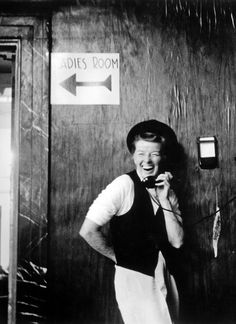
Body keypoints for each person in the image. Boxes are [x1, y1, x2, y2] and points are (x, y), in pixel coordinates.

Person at [79, 119, 184, 324]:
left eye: (154, 154)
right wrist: (119, 258)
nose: (147, 161)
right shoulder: (123, 185)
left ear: (163, 156)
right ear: (133, 155)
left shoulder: (168, 191)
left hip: (165, 274)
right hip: (136, 279)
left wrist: (164, 200)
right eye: (141, 154)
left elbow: (177, 242)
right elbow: (88, 231)